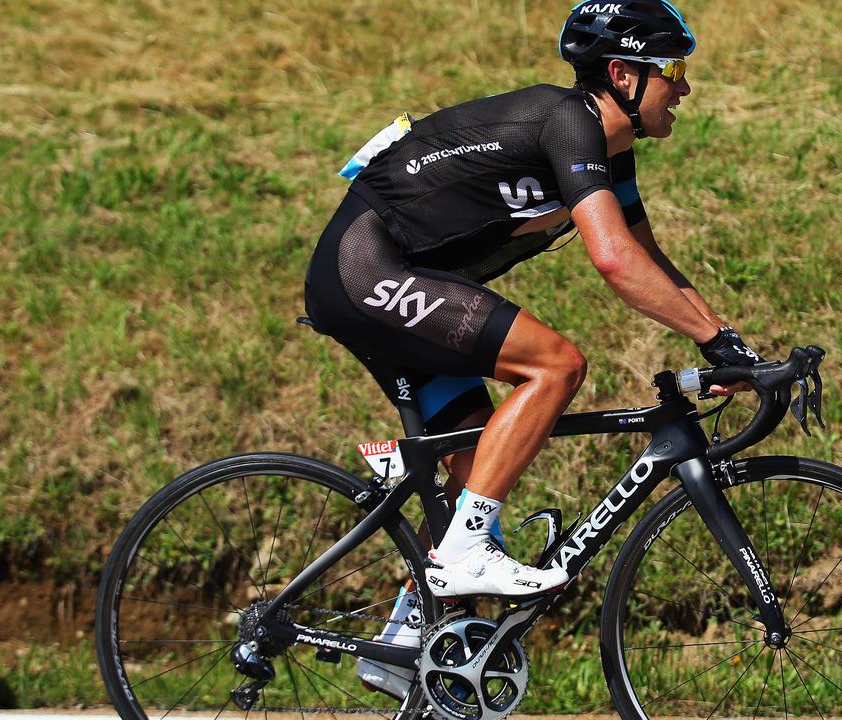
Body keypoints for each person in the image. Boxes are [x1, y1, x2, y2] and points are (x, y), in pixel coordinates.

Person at [302, 0, 761, 696]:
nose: (685, 88)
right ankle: (463, 552)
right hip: (366, 270)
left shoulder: (610, 147)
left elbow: (644, 255)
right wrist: (712, 340)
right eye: (674, 69)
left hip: (405, 281)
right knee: (556, 364)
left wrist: (730, 344)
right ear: (622, 74)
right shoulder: (569, 121)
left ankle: (403, 635)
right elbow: (612, 261)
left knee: (476, 465)